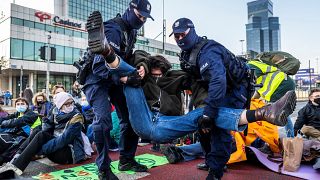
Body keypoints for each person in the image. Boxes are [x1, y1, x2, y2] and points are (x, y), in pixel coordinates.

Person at [88, 16, 296, 180]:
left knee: (206, 119)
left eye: (182, 35)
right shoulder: (143, 73)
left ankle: (262, 114)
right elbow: (141, 57)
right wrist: (142, 69)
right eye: (175, 36)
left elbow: (211, 84)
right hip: (149, 124)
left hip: (166, 120)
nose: (178, 39)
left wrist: (207, 111)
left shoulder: (201, 57)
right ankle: (108, 53)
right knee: (134, 81)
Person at [83, 0, 154, 179]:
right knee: (103, 120)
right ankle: (104, 168)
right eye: (140, 16)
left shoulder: (131, 32)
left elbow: (127, 58)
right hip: (96, 79)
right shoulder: (113, 30)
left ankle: (126, 160)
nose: (142, 21)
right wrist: (124, 78)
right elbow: (99, 68)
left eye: (145, 18)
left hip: (114, 80)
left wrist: (139, 67)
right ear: (130, 9)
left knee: (131, 119)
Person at [0, 92, 88, 178]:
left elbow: (64, 140)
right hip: (55, 150)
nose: (70, 106)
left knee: (41, 135)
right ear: (59, 104)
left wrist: (41, 149)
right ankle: (16, 159)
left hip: (69, 154)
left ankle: (15, 165)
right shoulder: (55, 112)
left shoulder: (77, 117)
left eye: (71, 102)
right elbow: (46, 129)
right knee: (38, 132)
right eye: (67, 104)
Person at [248, 59, 296, 137]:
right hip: (283, 83)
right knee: (280, 112)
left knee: (273, 112)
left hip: (279, 85)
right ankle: (290, 137)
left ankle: (278, 137)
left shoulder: (250, 65)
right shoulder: (257, 65)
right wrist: (252, 100)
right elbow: (259, 92)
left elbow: (252, 77)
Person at [0, 98, 40, 165]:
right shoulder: (18, 113)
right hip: (21, 135)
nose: (20, 105)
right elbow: (5, 119)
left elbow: (15, 122)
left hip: (30, 138)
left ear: (27, 105)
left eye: (22, 104)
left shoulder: (32, 114)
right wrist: (3, 121)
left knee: (11, 149)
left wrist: (3, 123)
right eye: (18, 104)